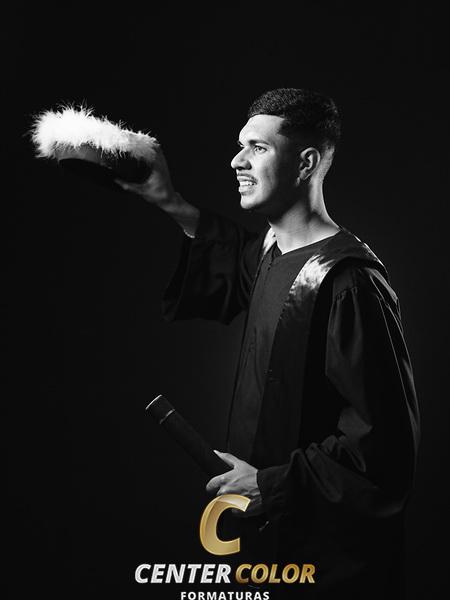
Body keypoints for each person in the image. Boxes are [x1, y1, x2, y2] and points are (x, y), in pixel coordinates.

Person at [116, 88, 420, 598]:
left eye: (257, 148)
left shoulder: (349, 283)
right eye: (240, 146)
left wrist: (270, 485)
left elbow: (385, 451)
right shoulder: (270, 252)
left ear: (306, 163)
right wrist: (166, 199)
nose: (237, 161)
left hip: (327, 566)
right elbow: (235, 263)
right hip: (265, 546)